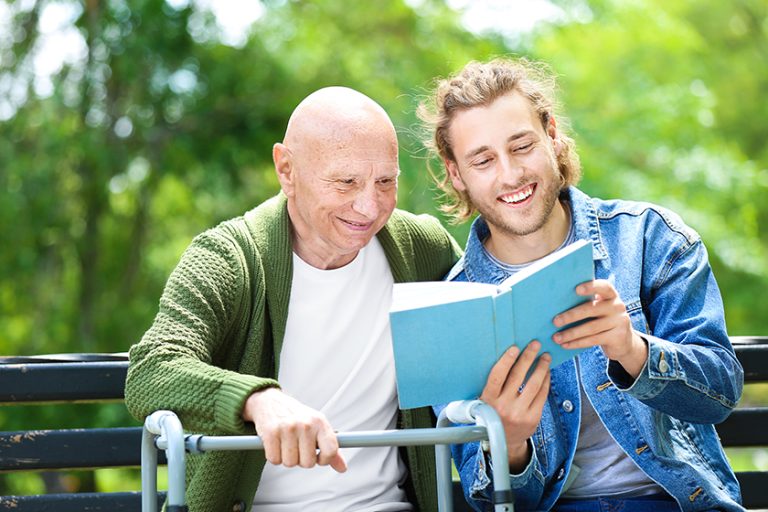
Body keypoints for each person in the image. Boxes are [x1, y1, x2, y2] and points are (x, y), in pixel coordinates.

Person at [418, 58, 744, 511]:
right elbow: (493, 502)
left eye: (522, 146)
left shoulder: (650, 238)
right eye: (484, 160)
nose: (510, 174)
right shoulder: (454, 305)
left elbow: (721, 394)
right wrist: (509, 446)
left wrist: (633, 351)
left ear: (551, 136)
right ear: (457, 174)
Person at [125, 86, 462, 511]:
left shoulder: (420, 248)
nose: (368, 206)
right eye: (346, 182)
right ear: (287, 170)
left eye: (385, 182)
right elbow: (151, 369)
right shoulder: (228, 258)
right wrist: (258, 400)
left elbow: (490, 310)